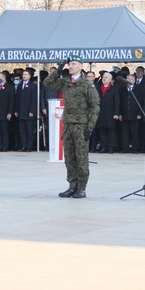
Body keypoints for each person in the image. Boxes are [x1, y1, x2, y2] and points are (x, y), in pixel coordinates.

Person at [44, 55, 100, 199]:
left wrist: (90, 127)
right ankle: (72, 186)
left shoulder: (87, 84)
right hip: (68, 123)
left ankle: (81, 187)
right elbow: (48, 82)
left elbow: (95, 107)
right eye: (70, 64)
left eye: (74, 64)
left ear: (81, 67)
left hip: (81, 125)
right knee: (69, 157)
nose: (71, 66)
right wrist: (59, 69)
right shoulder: (65, 82)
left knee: (81, 157)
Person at [95, 72, 121, 154]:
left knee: (111, 131)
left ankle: (111, 147)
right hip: (100, 112)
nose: (104, 78)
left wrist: (116, 113)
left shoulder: (114, 89)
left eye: (106, 77)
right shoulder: (98, 88)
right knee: (102, 130)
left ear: (110, 80)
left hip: (110, 113)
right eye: (103, 77)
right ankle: (103, 147)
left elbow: (117, 102)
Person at [119, 74, 142, 153]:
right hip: (124, 114)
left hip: (135, 115)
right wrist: (119, 113)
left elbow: (141, 102)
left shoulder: (138, 89)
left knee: (134, 133)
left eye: (131, 79)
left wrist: (139, 113)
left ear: (134, 80)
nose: (129, 80)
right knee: (125, 133)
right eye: (127, 79)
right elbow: (119, 102)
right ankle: (125, 148)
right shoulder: (121, 89)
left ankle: (135, 148)